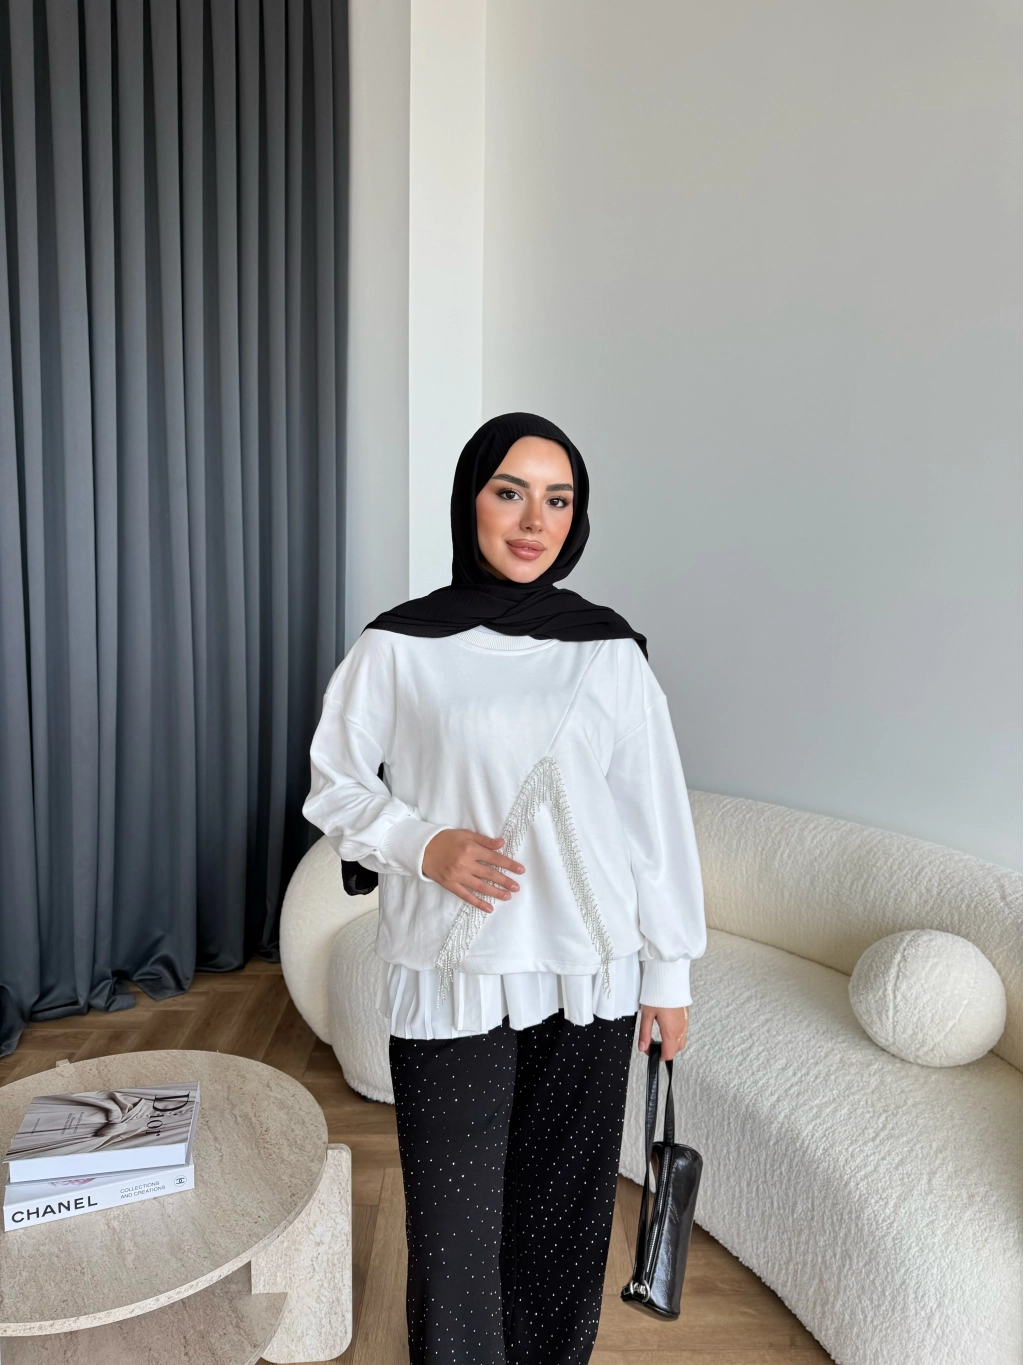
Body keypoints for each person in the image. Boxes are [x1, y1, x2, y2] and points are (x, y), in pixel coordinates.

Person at [303, 412, 706, 1365]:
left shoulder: (608, 651)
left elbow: (654, 820)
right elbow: (334, 782)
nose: (535, 521)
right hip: (455, 970)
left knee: (563, 1225)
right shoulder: (400, 645)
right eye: (510, 492)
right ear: (469, 500)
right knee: (453, 1240)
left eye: (558, 500)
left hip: (591, 975)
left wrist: (670, 972)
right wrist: (422, 842)